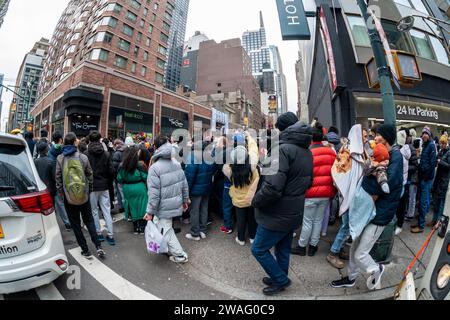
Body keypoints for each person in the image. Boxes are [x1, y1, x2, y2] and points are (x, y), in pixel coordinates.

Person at [331, 124, 403, 290]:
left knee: (360, 253)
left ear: (386, 138)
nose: (375, 137)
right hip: (370, 210)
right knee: (355, 246)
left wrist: (366, 178)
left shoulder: (396, 157)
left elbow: (386, 184)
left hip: (380, 215)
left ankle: (376, 269)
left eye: (378, 135)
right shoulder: (383, 154)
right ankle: (351, 278)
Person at [251, 112, 313, 296]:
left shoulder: (282, 149)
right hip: (293, 212)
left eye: (278, 128)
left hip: (276, 213)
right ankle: (278, 275)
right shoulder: (306, 151)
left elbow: (272, 188)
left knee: (259, 249)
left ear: (284, 129)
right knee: (283, 248)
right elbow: (308, 183)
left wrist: (255, 201)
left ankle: (280, 279)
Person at [55, 132, 105, 259]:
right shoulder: (83, 157)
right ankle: (98, 246)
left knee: (76, 224)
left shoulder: (60, 158)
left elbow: (58, 178)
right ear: (73, 143)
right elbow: (89, 174)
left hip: (69, 197)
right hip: (84, 196)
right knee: (89, 220)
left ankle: (85, 249)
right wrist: (90, 189)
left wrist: (61, 193)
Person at [327, 124, 369, 270]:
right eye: (364, 136)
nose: (366, 139)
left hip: (355, 196)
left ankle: (340, 248)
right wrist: (346, 191)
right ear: (357, 136)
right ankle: (333, 253)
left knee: (350, 226)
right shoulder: (346, 152)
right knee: (346, 226)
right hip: (347, 196)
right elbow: (336, 174)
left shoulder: (361, 153)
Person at [292, 122, 336, 257]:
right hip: (326, 192)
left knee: (307, 221)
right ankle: (313, 246)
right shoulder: (331, 152)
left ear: (311, 138)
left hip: (310, 192)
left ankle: (301, 246)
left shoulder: (307, 152)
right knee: (318, 220)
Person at [144, 135, 190, 264]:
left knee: (166, 230)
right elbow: (184, 184)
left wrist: (149, 212)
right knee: (163, 227)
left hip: (163, 206)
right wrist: (185, 200)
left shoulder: (154, 168)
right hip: (174, 203)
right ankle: (165, 248)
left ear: (155, 148)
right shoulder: (176, 164)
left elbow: (154, 194)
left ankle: (180, 255)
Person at [223, 132, 259, 246]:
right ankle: (253, 237)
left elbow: (226, 164)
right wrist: (249, 137)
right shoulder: (252, 165)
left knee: (241, 219)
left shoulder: (229, 170)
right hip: (251, 197)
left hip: (238, 199)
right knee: (252, 218)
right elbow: (254, 150)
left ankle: (241, 238)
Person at [85, 131, 116, 245]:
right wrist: (109, 181)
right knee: (106, 210)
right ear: (99, 139)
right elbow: (112, 171)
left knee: (94, 211)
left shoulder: (86, 154)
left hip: (92, 186)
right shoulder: (106, 154)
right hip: (104, 185)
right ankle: (111, 235)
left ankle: (98, 234)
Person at [184, 137, 217, 241]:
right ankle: (203, 230)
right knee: (204, 208)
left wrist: (186, 192)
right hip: (207, 187)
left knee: (194, 211)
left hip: (195, 189)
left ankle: (195, 233)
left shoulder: (192, 156)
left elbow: (189, 176)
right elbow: (214, 170)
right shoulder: (210, 156)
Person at [117, 146, 148, 234]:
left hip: (127, 188)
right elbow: (145, 177)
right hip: (140, 187)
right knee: (142, 207)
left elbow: (119, 178)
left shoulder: (123, 166)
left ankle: (135, 228)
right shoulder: (140, 165)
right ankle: (142, 228)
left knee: (131, 207)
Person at [411, 127, 437, 233]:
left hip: (426, 179)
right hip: (423, 177)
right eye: (423, 134)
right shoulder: (426, 145)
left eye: (426, 133)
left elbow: (432, 164)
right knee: (423, 201)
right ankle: (420, 222)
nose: (424, 135)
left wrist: (425, 177)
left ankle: (420, 226)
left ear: (429, 134)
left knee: (423, 202)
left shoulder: (431, 145)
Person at [48, 131, 71, 230]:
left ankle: (67, 223)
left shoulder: (49, 151)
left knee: (60, 202)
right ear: (61, 139)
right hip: (66, 178)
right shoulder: (65, 150)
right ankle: (73, 220)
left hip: (55, 179)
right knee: (69, 200)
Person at [394, 129, 412, 235]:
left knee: (399, 206)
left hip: (399, 184)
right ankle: (398, 225)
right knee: (400, 206)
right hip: (402, 183)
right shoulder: (405, 151)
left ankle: (399, 225)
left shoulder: (399, 153)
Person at [432, 136, 450, 225]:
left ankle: (438, 222)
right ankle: (434, 220)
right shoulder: (441, 151)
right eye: (441, 143)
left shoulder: (449, 152)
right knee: (436, 201)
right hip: (439, 179)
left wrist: (440, 161)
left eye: (443, 143)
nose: (442, 144)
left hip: (444, 180)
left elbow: (449, 166)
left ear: (446, 143)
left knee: (441, 202)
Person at [405, 131, 419, 221]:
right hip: (410, 177)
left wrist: (405, 167)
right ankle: (408, 212)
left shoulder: (411, 149)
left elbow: (415, 165)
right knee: (410, 197)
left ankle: (410, 214)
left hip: (413, 178)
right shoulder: (408, 148)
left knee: (412, 197)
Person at [112, 139, 127, 215]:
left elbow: (114, 166)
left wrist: (115, 176)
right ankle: (125, 207)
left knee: (119, 192)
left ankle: (121, 207)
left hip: (119, 176)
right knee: (124, 192)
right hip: (126, 175)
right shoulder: (127, 151)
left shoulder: (117, 153)